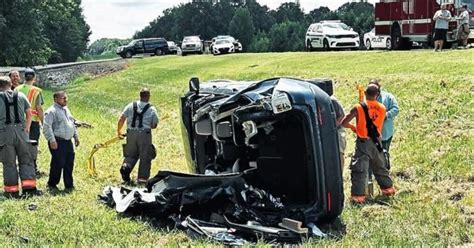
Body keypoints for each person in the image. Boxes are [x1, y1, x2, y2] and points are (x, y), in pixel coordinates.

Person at [340, 84, 395, 204]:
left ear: (365, 93)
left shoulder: (358, 107)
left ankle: (358, 198)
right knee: (380, 167)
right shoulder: (382, 108)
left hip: (363, 143)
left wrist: (354, 128)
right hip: (377, 143)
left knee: (360, 169)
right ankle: (388, 190)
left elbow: (344, 122)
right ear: (377, 94)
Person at [0, 76, 41, 198]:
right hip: (22, 132)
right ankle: (29, 189)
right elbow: (29, 113)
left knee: (9, 163)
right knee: (26, 160)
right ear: (10, 84)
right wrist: (27, 128)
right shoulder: (21, 96)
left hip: (4, 133)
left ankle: (12, 192)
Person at [117, 88, 159, 185]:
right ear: (148, 96)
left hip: (130, 134)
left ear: (140, 96)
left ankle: (125, 167)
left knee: (130, 155)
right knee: (145, 157)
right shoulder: (152, 109)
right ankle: (142, 180)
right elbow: (154, 125)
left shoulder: (131, 105)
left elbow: (121, 118)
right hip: (144, 135)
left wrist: (119, 131)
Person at [43, 91, 80, 191]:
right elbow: (46, 127)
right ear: (56, 99)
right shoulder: (51, 111)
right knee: (58, 163)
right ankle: (52, 184)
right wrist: (52, 140)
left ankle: (69, 184)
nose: (65, 100)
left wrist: (75, 136)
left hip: (68, 142)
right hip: (58, 141)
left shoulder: (66, 109)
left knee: (69, 163)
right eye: (63, 98)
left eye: (66, 98)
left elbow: (71, 123)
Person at [15, 68, 44, 176]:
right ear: (34, 78)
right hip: (33, 122)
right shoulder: (37, 91)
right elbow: (39, 108)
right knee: (32, 145)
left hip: (19, 122)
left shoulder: (17, 89)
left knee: (21, 144)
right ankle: (33, 168)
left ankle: (21, 166)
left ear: (23, 77)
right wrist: (43, 122)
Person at [369, 79, 399, 168]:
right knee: (371, 154)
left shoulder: (388, 97)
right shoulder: (366, 98)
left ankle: (384, 172)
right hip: (371, 133)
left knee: (383, 153)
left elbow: (396, 109)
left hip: (385, 132)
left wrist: (385, 115)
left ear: (379, 88)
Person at [331, 95, 346, 172]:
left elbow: (342, 116)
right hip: (326, 131)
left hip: (338, 130)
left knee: (340, 153)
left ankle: (340, 175)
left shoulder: (332, 100)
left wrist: (333, 126)